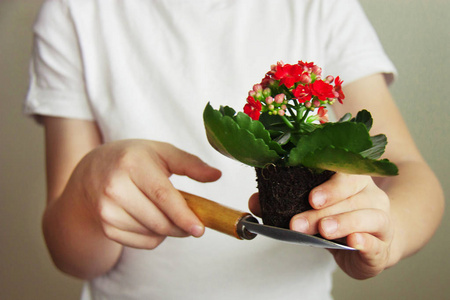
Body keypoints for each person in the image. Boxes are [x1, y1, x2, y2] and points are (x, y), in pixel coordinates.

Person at [24, 0, 444, 299]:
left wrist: (387, 234)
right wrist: (87, 186)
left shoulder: (322, 6)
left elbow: (410, 174)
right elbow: (72, 256)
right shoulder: (74, 12)